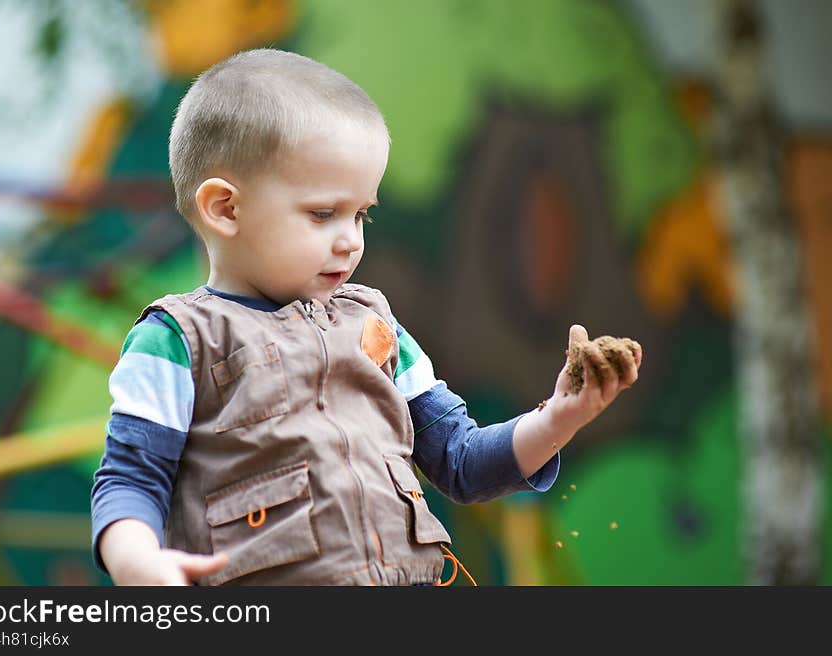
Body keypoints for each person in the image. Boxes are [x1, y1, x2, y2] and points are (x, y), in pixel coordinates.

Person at [90, 48, 642, 586]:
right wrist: (137, 561)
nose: (350, 241)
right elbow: (131, 476)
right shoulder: (178, 341)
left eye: (362, 215)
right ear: (226, 209)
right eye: (324, 214)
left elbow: (464, 461)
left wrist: (561, 417)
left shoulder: (376, 329)